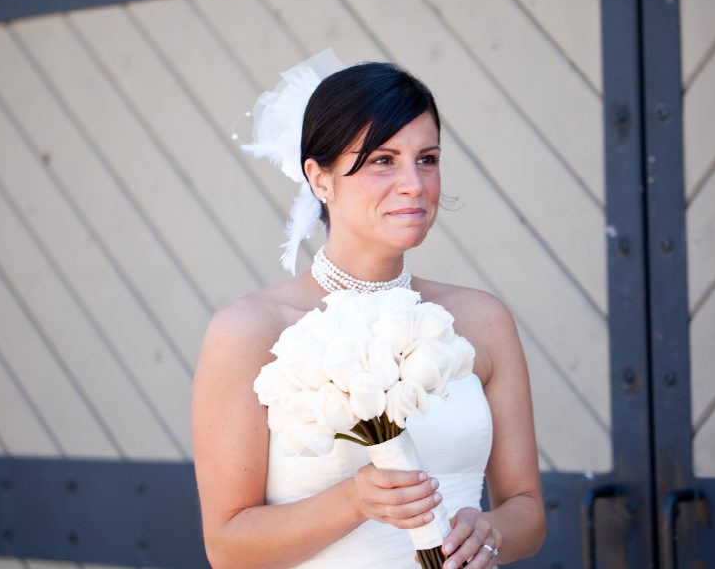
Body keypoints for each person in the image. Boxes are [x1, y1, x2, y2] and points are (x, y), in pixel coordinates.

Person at [192, 52, 545, 569]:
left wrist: (492, 532)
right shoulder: (249, 332)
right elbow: (227, 547)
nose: (415, 184)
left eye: (428, 158)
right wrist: (353, 502)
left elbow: (527, 511)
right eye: (383, 160)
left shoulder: (483, 321)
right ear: (320, 179)